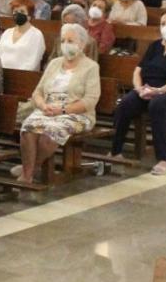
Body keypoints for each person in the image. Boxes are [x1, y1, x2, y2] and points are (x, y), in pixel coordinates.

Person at [109, 10, 166, 175]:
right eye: (163, 23)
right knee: (126, 103)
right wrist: (139, 88)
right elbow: (138, 71)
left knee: (158, 105)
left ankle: (164, 158)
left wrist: (161, 90)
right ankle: (116, 151)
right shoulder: (155, 46)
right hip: (148, 89)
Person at [15, 24, 101, 184]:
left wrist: (62, 110)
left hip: (75, 113)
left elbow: (90, 100)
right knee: (28, 129)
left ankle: (31, 169)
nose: (66, 44)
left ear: (82, 44)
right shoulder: (54, 63)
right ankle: (27, 174)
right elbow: (38, 92)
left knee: (50, 134)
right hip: (47, 109)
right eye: (63, 40)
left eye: (70, 40)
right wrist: (42, 105)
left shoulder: (91, 67)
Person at [0, 0, 47, 71]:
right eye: (15, 12)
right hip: (2, 74)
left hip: (24, 77)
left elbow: (33, 63)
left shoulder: (36, 35)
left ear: (29, 16)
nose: (18, 14)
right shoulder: (7, 32)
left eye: (22, 11)